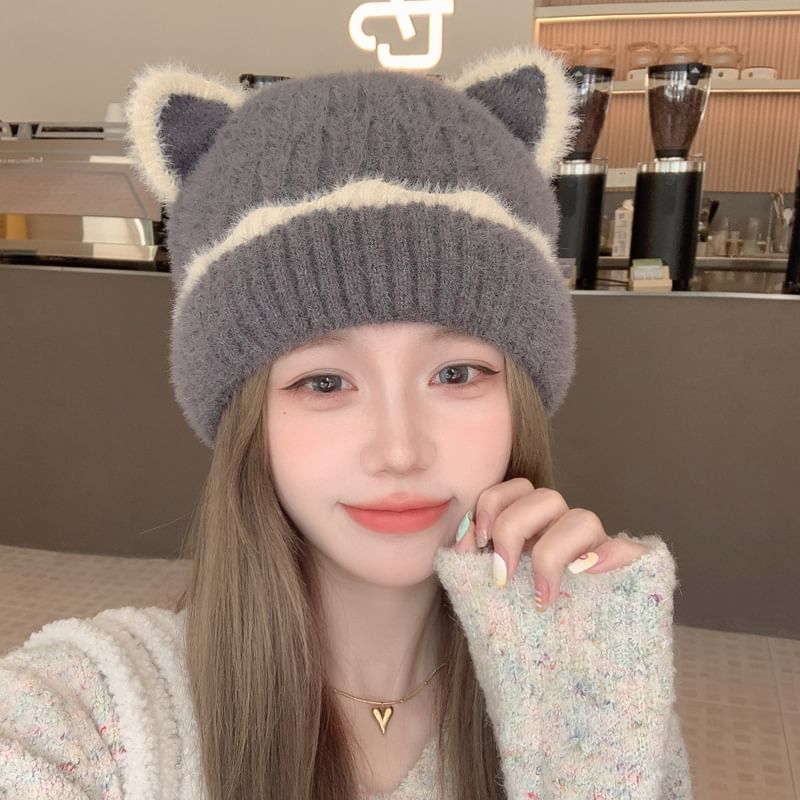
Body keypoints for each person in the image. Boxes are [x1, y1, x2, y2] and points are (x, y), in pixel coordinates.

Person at [0, 46, 693, 799]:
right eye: (325, 382)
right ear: (248, 420)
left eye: (455, 374)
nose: (400, 450)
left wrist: (584, 724)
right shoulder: (87, 713)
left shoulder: (594, 677)